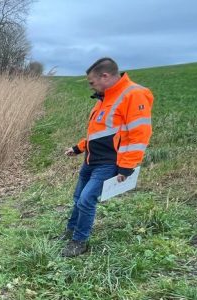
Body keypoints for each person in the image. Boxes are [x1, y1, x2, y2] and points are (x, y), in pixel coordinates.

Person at [60, 57, 154, 257]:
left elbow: (139, 134)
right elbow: (98, 134)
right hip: (90, 160)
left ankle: (79, 241)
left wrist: (127, 167)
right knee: (77, 197)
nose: (90, 87)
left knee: (86, 200)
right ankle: (70, 229)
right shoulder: (104, 99)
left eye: (92, 82)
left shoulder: (133, 94)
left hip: (108, 163)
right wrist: (77, 148)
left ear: (105, 76)